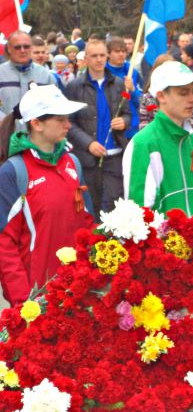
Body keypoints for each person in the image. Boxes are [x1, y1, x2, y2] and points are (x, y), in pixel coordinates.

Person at [0, 85, 94, 306]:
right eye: (60, 119)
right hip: (37, 298)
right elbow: (5, 244)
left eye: (67, 118)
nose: (68, 124)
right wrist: (24, 302)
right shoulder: (13, 171)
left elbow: (88, 223)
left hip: (78, 290)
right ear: (36, 123)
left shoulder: (73, 163)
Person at [123, 61, 193, 223]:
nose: (192, 99)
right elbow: (139, 213)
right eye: (183, 92)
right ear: (161, 96)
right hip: (164, 246)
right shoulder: (144, 144)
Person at [65, 39, 131, 220]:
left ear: (107, 56)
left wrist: (123, 121)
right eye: (94, 56)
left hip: (115, 154)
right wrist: (88, 143)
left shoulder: (118, 84)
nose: (99, 59)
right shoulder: (74, 87)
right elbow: (69, 123)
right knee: (91, 207)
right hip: (88, 158)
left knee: (113, 204)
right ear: (86, 58)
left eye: (102, 55)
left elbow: (127, 113)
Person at [0, 31, 57, 122]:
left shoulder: (45, 75)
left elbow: (55, 106)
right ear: (9, 49)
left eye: (26, 46)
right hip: (6, 134)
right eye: (17, 47)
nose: (23, 50)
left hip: (37, 134)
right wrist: (5, 123)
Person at [106, 36, 142, 138]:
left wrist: (132, 90)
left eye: (123, 51)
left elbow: (141, 101)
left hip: (132, 126)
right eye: (117, 51)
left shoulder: (132, 72)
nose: (121, 54)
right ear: (108, 53)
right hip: (110, 124)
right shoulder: (103, 72)